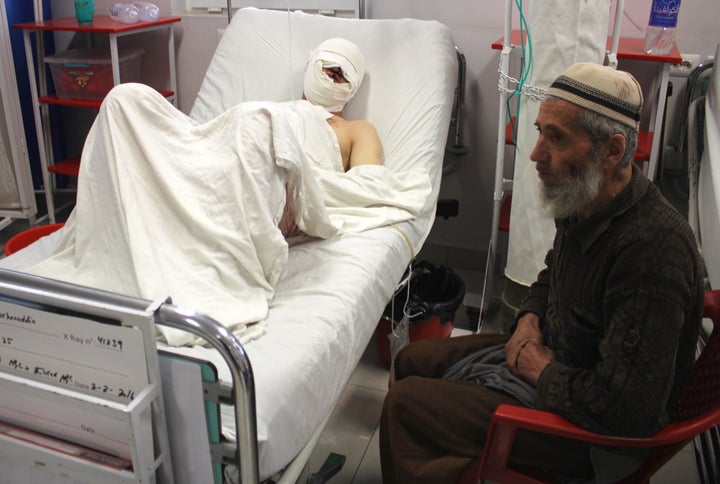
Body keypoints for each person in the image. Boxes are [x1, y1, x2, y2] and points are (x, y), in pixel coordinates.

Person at [379, 62, 705, 483]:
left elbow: (628, 412)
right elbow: (554, 272)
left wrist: (541, 370)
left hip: (591, 438)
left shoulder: (652, 251)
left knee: (405, 406)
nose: (535, 153)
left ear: (613, 150)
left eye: (557, 138)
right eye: (540, 131)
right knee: (410, 360)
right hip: (556, 356)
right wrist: (531, 318)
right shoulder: (589, 200)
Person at [301, 37, 382, 171]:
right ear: (309, 65)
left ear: (351, 91)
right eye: (328, 65)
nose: (335, 72)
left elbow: (369, 182)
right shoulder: (274, 113)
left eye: (344, 74)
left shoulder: (358, 131)